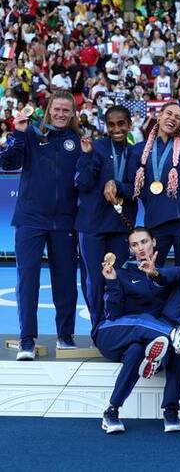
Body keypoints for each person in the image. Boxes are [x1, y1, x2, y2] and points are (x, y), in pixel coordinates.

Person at [95, 227, 180, 434]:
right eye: (134, 245)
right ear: (130, 249)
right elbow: (113, 314)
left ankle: (113, 411)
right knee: (143, 321)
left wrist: (155, 273)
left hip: (144, 340)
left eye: (144, 242)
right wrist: (112, 282)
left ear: (154, 242)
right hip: (113, 333)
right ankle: (173, 336)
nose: (140, 248)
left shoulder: (164, 275)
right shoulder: (121, 272)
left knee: (141, 351)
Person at [2, 91, 82, 359]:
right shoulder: (30, 134)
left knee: (66, 281)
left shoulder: (78, 141)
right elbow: (9, 162)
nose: (60, 114)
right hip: (30, 219)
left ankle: (65, 336)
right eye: (56, 109)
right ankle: (27, 340)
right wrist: (18, 133)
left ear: (73, 113)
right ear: (48, 110)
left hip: (65, 221)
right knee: (28, 280)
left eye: (66, 110)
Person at [76, 105, 138, 331]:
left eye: (121, 124)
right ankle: (97, 328)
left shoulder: (136, 153)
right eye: (111, 124)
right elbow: (82, 183)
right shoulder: (96, 147)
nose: (116, 129)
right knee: (94, 279)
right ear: (105, 126)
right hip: (92, 225)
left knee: (117, 277)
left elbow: (137, 190)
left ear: (129, 125)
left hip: (120, 226)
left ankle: (114, 326)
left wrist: (118, 186)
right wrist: (86, 156)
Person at [125, 102, 180, 266]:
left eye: (178, 117)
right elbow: (132, 186)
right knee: (153, 271)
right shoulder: (138, 150)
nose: (172, 118)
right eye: (169, 113)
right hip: (157, 221)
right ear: (159, 115)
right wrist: (114, 185)